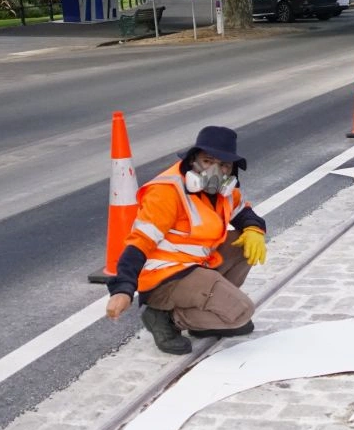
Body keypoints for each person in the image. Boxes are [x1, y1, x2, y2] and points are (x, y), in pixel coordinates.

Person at [103, 125, 268, 354]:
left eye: (224, 165)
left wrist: (254, 229)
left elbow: (243, 214)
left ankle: (205, 320)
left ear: (231, 170)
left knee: (246, 241)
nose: (215, 171)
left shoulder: (223, 192)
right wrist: (123, 289)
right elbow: (139, 243)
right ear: (193, 160)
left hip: (195, 266)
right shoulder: (168, 191)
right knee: (241, 313)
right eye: (208, 161)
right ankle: (165, 317)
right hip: (164, 276)